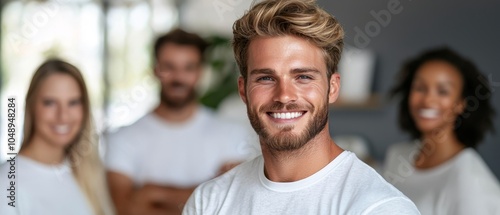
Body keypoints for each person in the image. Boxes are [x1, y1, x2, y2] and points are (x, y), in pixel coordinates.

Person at [183, 0, 420, 214]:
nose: (284, 96)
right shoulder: (209, 202)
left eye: (303, 77)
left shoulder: (378, 207)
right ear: (243, 90)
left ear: (333, 88)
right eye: (266, 78)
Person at [105, 29, 254, 215]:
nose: (178, 77)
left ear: (199, 72)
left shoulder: (232, 134)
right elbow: (125, 210)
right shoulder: (122, 139)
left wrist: (150, 193)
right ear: (155, 70)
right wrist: (210, 192)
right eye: (169, 67)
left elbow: (235, 206)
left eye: (188, 68)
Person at [384, 47, 500, 214]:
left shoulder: (471, 179)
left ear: (461, 103)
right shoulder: (397, 156)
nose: (428, 100)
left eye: (443, 91)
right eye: (420, 88)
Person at [0, 59, 114, 215]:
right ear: (31, 106)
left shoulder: (87, 173)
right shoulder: (6, 184)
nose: (63, 116)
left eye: (73, 102)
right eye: (50, 103)